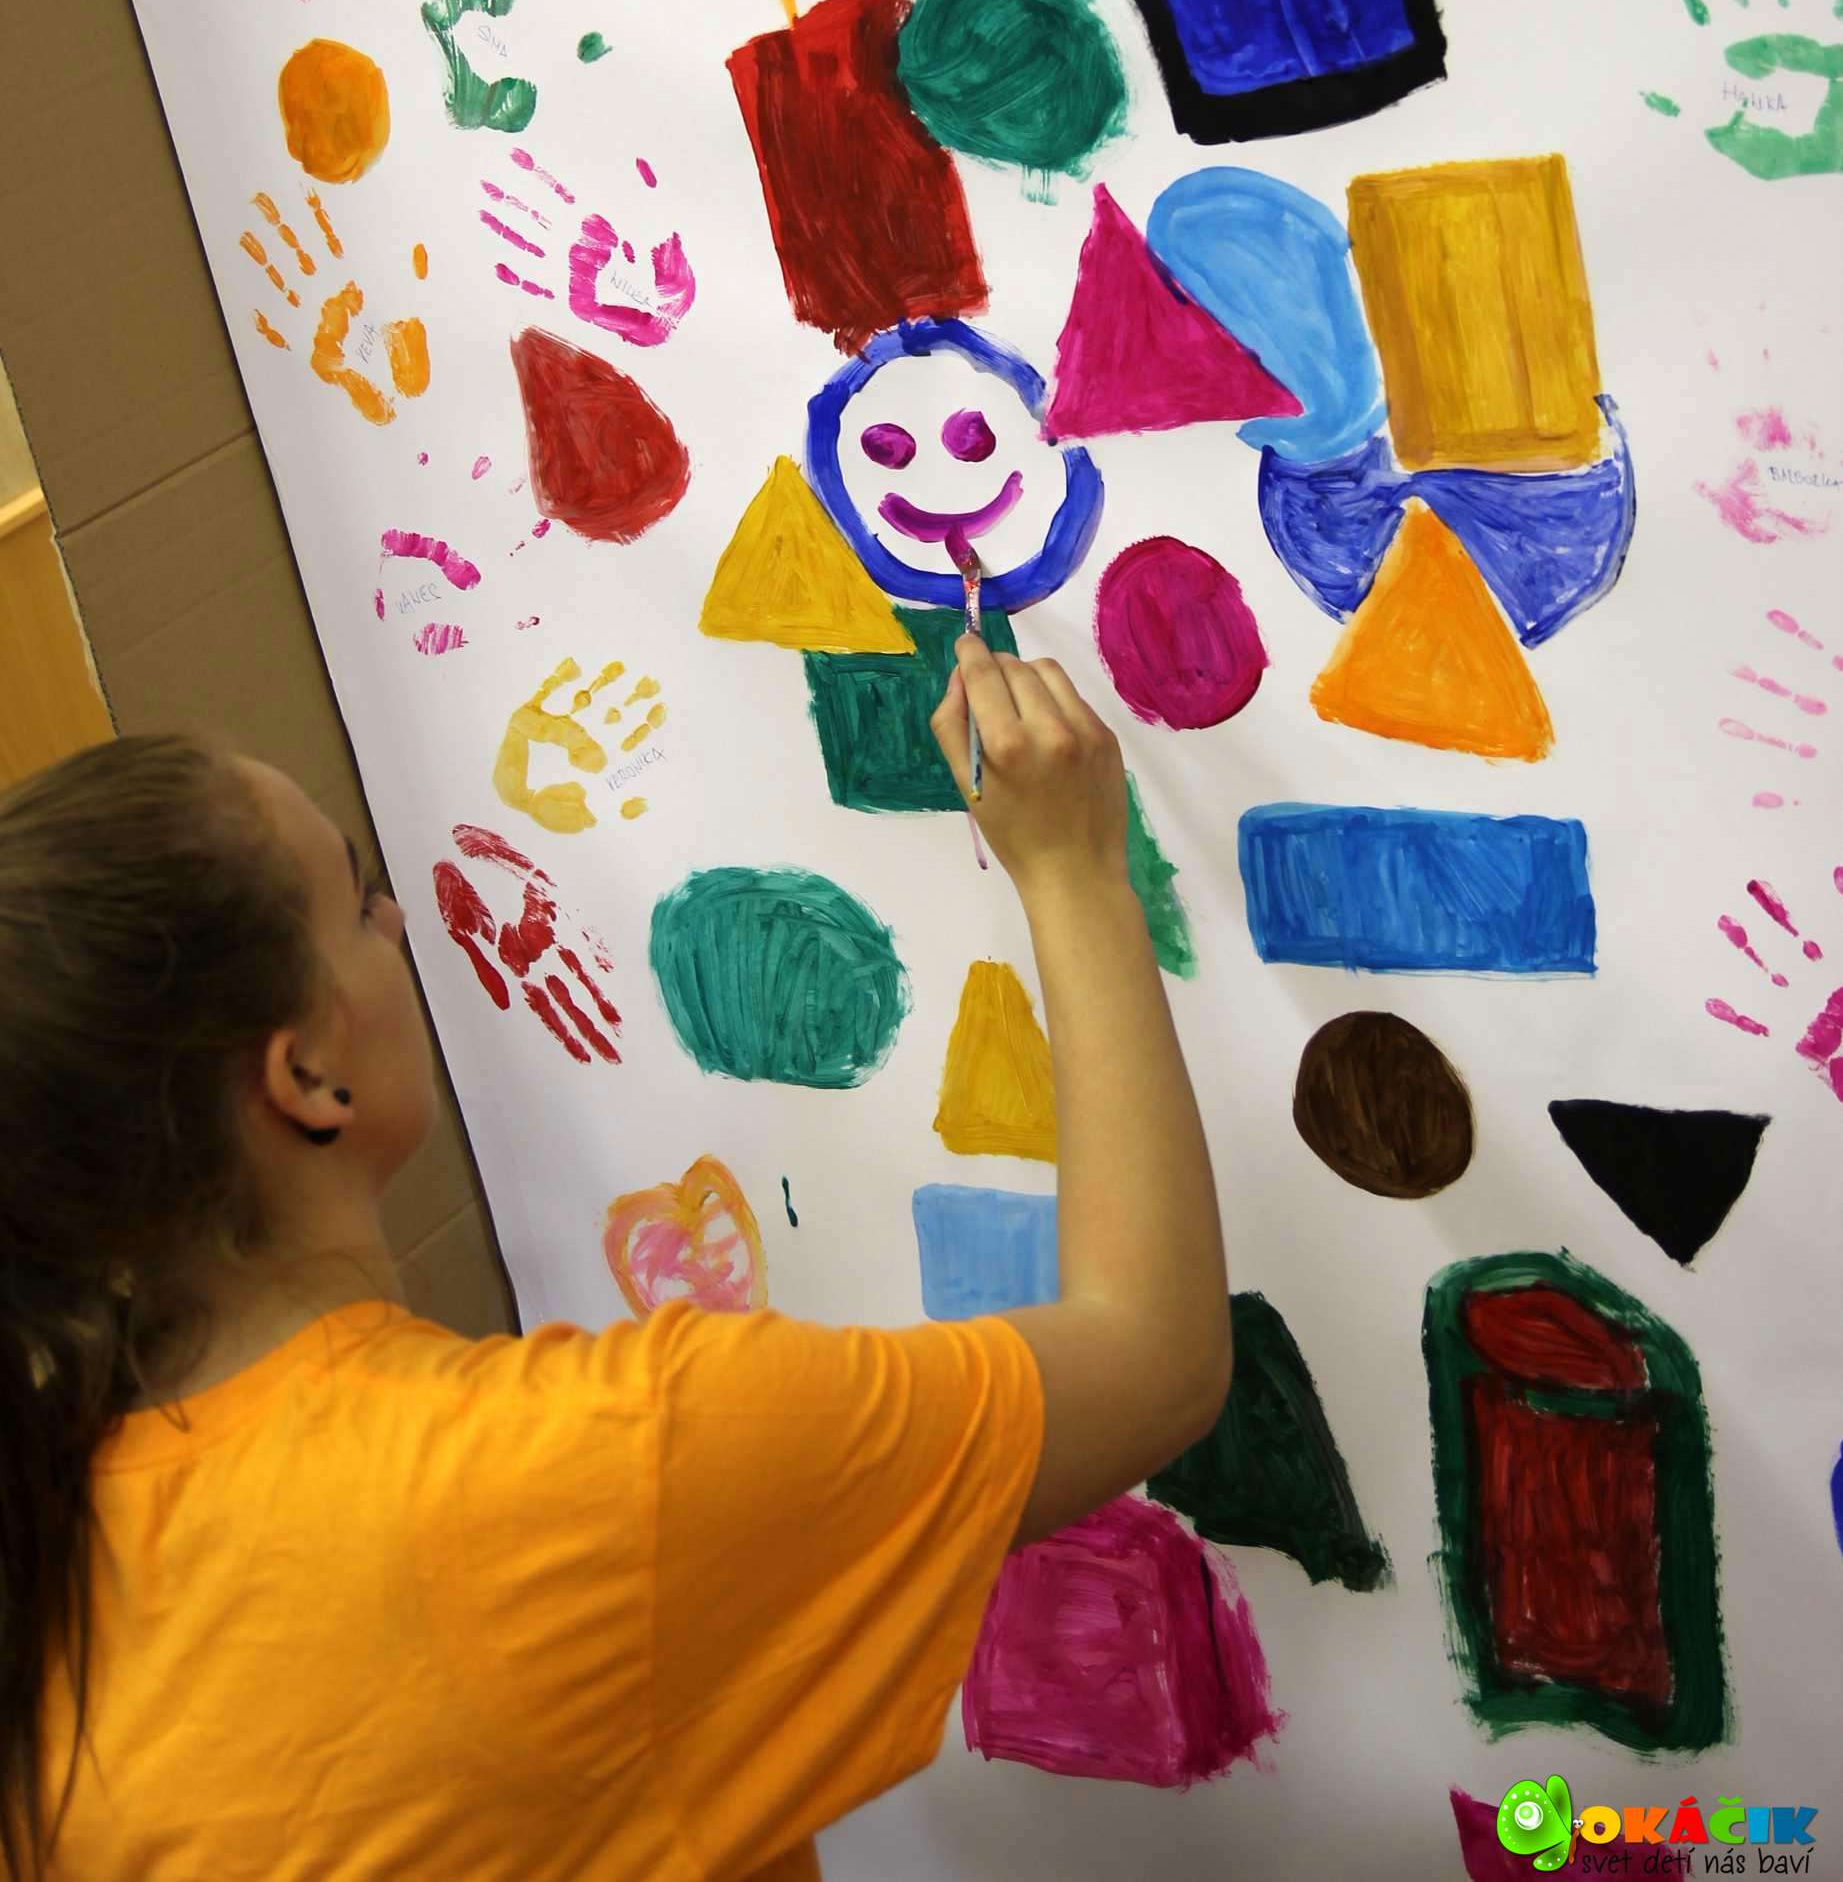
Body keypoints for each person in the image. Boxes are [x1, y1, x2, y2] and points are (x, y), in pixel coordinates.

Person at [0, 636, 1230, 1881]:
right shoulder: (588, 1468)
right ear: (309, 1073)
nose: (400, 916)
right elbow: (1153, 1353)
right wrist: (1075, 869)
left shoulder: (48, 1546)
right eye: (358, 895)